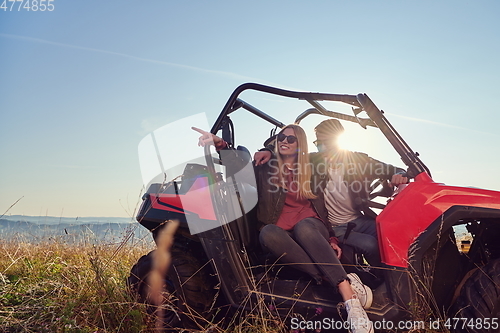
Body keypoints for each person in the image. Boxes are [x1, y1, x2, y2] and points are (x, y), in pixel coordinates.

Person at [193, 125, 374, 333]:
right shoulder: (264, 168)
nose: (284, 141)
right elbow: (238, 167)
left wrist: (332, 238)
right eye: (281, 137)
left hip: (311, 228)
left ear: (300, 146)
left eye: (291, 139)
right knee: (268, 232)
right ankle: (346, 280)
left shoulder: (310, 170)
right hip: (283, 234)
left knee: (304, 227)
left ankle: (349, 299)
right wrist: (221, 145)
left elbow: (322, 208)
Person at [255, 119, 408, 269]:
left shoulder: (358, 161)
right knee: (371, 245)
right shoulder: (312, 162)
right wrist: (268, 151)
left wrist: (400, 174)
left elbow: (392, 169)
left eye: (327, 143)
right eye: (319, 144)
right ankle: (380, 281)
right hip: (334, 226)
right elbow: (287, 150)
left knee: (391, 235)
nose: (324, 149)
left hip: (359, 220)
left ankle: (407, 277)